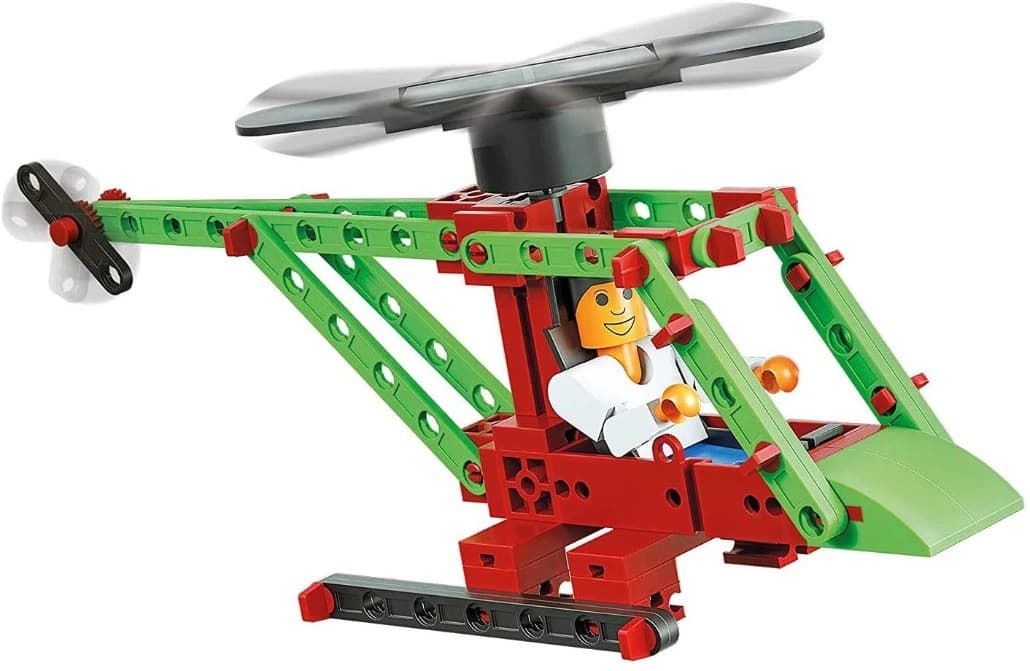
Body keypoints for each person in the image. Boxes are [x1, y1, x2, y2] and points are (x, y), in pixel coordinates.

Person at [547, 279, 798, 463]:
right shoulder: (576, 382)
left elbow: (703, 378)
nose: (618, 308)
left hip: (695, 444)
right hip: (660, 461)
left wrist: (754, 373)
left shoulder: (660, 347)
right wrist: (662, 410)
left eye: (627, 294)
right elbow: (615, 437)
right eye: (601, 301)